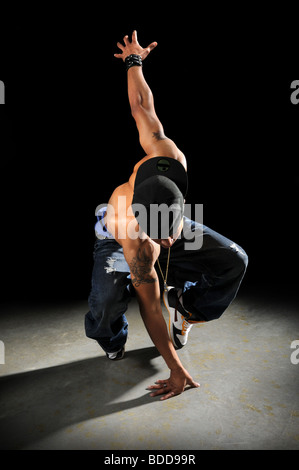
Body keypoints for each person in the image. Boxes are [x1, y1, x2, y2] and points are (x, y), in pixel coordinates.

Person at [85, 31, 248, 400]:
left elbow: (142, 107)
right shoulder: (134, 235)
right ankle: (111, 337)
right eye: (163, 237)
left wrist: (133, 61)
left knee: (234, 259)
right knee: (107, 303)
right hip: (116, 236)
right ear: (146, 227)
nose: (170, 241)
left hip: (156, 219)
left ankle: (188, 309)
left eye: (172, 230)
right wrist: (176, 369)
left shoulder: (168, 156)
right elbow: (151, 306)